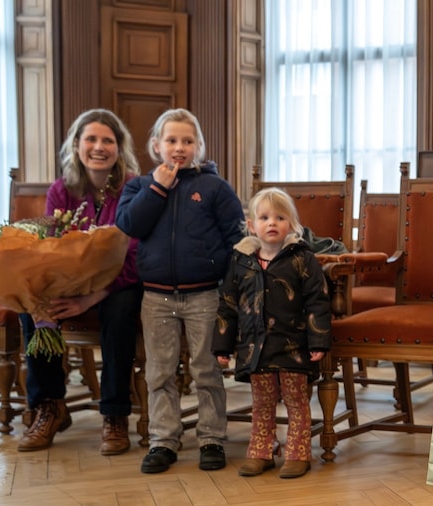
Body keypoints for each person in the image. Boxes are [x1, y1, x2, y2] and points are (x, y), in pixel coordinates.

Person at [116, 108, 244, 474]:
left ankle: (212, 438)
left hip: (204, 294)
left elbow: (236, 237)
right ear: (156, 145)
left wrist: (232, 287)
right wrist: (158, 187)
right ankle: (163, 440)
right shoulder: (139, 187)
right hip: (156, 297)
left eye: (188, 141)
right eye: (171, 140)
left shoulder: (215, 187)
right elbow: (130, 225)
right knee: (159, 372)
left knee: (206, 369)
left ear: (199, 146)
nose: (179, 147)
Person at [16, 109, 143, 455]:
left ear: (119, 148)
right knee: (33, 305)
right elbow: (53, 248)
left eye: (108, 140)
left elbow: (133, 255)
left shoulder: (133, 187)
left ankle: (115, 415)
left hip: (120, 282)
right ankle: (49, 406)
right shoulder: (62, 190)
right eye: (91, 139)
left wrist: (92, 298)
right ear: (76, 144)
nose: (99, 147)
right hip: (73, 281)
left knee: (119, 312)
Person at [213, 187, 332, 479]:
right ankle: (262, 450)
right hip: (255, 347)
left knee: (296, 400)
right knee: (262, 402)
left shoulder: (302, 258)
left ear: (291, 224)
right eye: (264, 217)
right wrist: (222, 346)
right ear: (252, 225)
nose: (272, 223)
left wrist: (318, 340)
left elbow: (318, 300)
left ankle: (298, 451)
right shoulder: (241, 260)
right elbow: (228, 304)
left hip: (293, 345)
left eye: (280, 217)